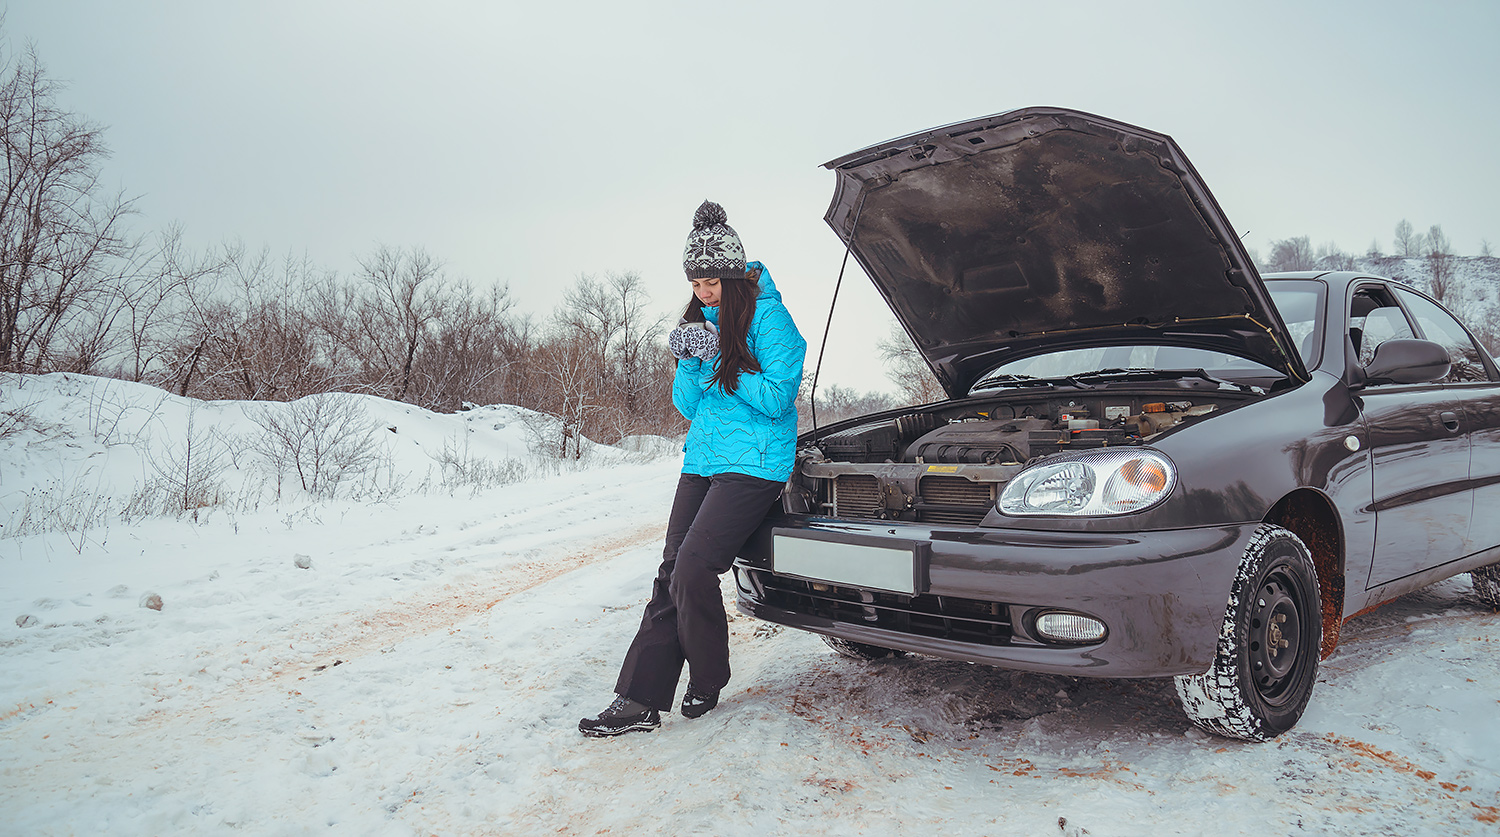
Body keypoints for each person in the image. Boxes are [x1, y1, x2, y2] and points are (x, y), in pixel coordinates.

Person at [579, 200, 806, 737]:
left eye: (712, 282)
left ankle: (707, 676)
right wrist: (688, 358)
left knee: (693, 568)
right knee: (670, 570)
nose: (703, 292)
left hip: (756, 463)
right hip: (703, 458)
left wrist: (722, 360)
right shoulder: (699, 319)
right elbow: (687, 407)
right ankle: (637, 701)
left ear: (733, 276)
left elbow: (777, 397)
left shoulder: (770, 319)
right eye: (695, 281)